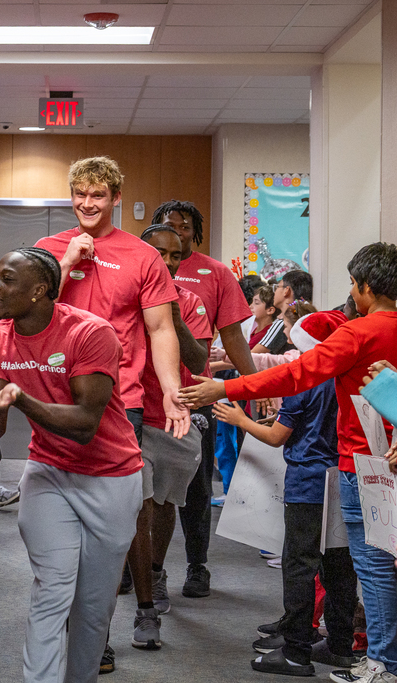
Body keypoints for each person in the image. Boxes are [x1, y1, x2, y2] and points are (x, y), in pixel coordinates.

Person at [180, 242, 397, 683]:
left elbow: (296, 373)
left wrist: (226, 388)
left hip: (364, 468)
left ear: (366, 287)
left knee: (371, 569)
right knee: (367, 568)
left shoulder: (360, 333)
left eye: (353, 285)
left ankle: (382, 662)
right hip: (375, 462)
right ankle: (376, 656)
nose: (351, 293)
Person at [0, 247, 142, 683]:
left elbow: (85, 424)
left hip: (112, 476)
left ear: (39, 291)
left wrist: (22, 398)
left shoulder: (90, 332)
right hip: (48, 471)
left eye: (6, 279)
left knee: (93, 606)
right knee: (51, 591)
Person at [35, 157, 186, 671]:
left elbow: (161, 329)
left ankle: (133, 611)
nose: (87, 204)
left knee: (119, 521)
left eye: (97, 195)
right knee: (65, 522)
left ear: (116, 198)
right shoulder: (50, 249)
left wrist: (172, 391)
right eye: (79, 194)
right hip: (59, 399)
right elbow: (28, 314)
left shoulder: (143, 256)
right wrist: (64, 265)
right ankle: (89, 640)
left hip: (123, 405)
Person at [213, 309, 359, 676]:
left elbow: (278, 437)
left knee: (299, 565)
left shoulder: (305, 381)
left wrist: (241, 420)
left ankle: (296, 650)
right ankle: (340, 645)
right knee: (339, 567)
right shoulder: (349, 376)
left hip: (306, 482)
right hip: (342, 479)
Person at [153, 199, 260, 597]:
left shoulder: (214, 274)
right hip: (146, 397)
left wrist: (257, 385)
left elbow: (232, 336)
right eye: (169, 225)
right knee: (141, 490)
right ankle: (139, 568)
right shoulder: (141, 268)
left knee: (197, 490)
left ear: (195, 233)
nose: (177, 232)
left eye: (184, 226)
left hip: (197, 394)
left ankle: (197, 566)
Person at [128, 225, 210, 646]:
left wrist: (174, 318)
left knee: (164, 504)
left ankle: (154, 571)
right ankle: (142, 588)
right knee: (138, 504)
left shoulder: (190, 301)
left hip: (174, 418)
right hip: (131, 414)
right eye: (160, 253)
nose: (168, 262)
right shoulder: (125, 295)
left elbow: (198, 361)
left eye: (176, 255)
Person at [254, 269, 312, 355]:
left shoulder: (282, 322)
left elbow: (253, 355)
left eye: (277, 287)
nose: (274, 292)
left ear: (286, 291)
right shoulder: (301, 316)